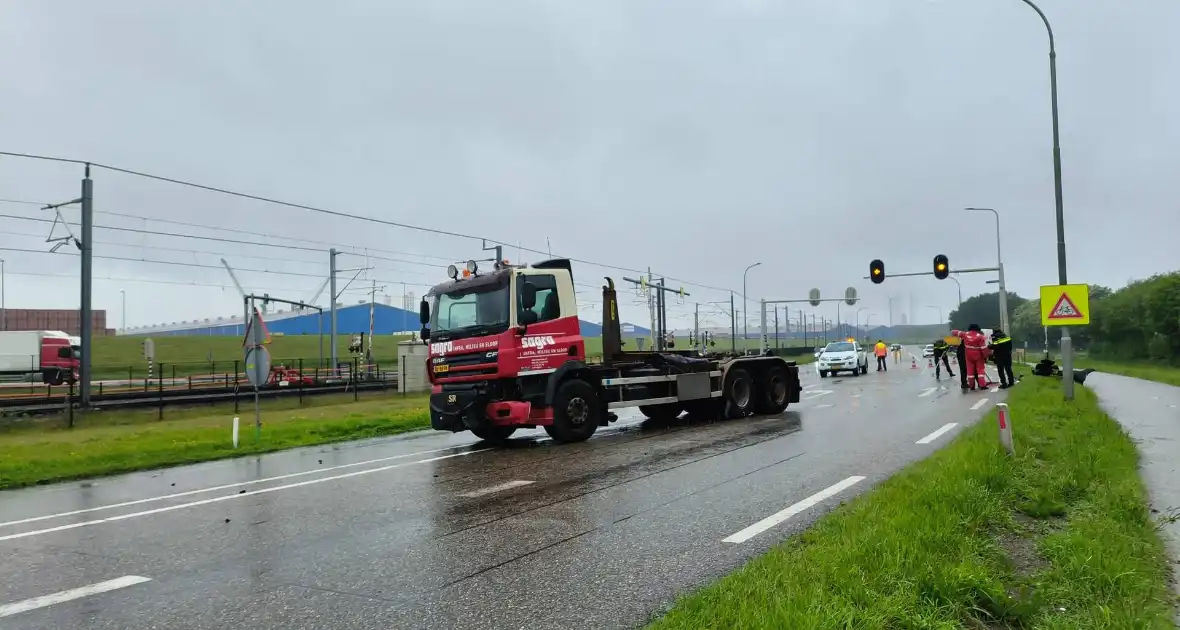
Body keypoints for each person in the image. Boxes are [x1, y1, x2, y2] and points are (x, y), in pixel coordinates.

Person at [952, 324, 991, 391]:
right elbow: (983, 348)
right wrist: (986, 356)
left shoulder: (965, 334)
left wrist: (955, 333)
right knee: (980, 370)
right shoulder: (981, 337)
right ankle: (982, 385)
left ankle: (971, 385)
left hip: (968, 356)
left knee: (970, 371)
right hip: (978, 356)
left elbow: (954, 332)